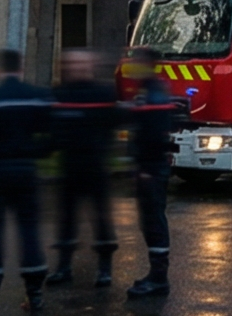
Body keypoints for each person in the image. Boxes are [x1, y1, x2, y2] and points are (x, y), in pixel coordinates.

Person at [0, 47, 55, 316]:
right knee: (29, 231)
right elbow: (52, 137)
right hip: (27, 173)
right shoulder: (37, 97)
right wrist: (33, 154)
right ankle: (35, 294)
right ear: (21, 68)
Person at [114, 44, 185, 298]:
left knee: (154, 222)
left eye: (139, 60)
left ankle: (158, 279)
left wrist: (144, 168)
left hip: (151, 170)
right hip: (151, 169)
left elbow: (153, 136)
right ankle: (156, 276)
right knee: (151, 221)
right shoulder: (149, 90)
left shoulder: (153, 94)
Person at [48, 48, 120, 288]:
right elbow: (54, 130)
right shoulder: (59, 94)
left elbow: (113, 125)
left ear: (92, 66)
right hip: (69, 166)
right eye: (73, 65)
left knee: (101, 218)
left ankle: (105, 269)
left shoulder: (103, 93)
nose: (78, 69)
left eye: (82, 65)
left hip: (95, 166)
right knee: (67, 217)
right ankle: (64, 266)